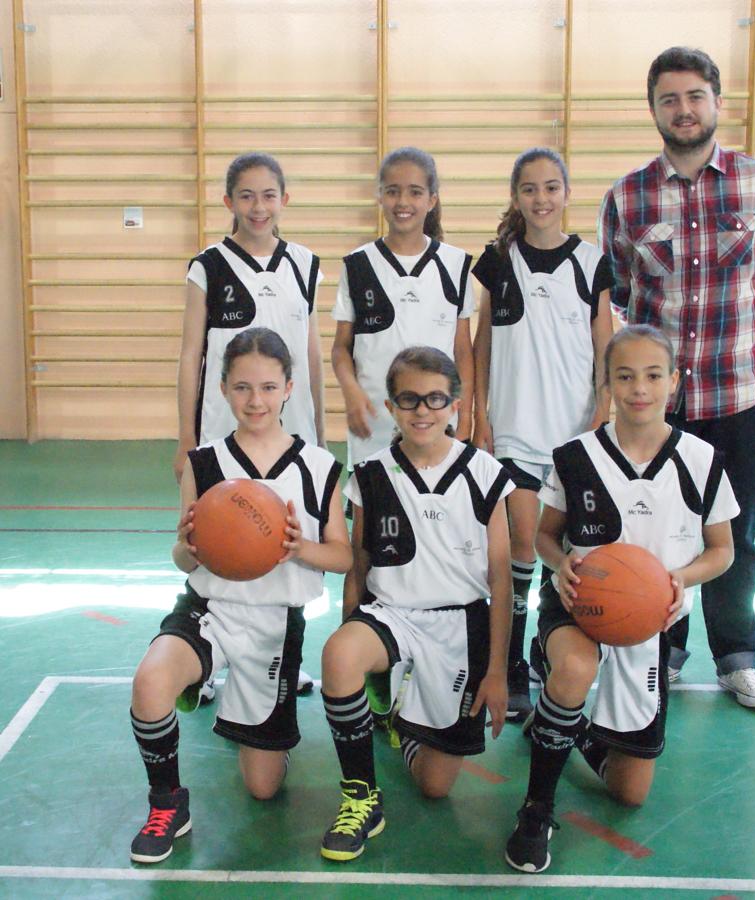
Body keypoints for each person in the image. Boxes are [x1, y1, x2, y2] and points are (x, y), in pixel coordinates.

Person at [599, 47, 755, 709]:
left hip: (740, 397)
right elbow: (623, 295)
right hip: (660, 411)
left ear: (716, 101)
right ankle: (667, 648)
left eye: (693, 96)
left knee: (734, 537)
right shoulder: (628, 196)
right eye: (668, 100)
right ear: (653, 109)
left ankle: (735, 655)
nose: (682, 110)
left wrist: (741, 341)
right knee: (661, 532)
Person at [504, 325, 738, 873]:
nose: (639, 388)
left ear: (674, 382)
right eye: (625, 376)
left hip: (652, 618)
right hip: (581, 603)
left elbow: (722, 550)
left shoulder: (702, 461)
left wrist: (682, 577)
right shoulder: (574, 457)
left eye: (653, 376)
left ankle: (567, 726)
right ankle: (536, 808)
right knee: (575, 670)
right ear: (606, 383)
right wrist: (561, 566)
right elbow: (544, 535)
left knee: (631, 793)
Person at [129, 328, 351, 865]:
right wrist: (189, 547)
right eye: (244, 387)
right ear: (224, 389)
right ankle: (168, 802)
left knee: (262, 788)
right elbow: (181, 560)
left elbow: (344, 558)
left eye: (269, 387)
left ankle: (251, 724)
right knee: (150, 680)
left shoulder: (319, 467)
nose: (257, 400)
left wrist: (301, 549)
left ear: (289, 389)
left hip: (276, 624)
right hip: (209, 609)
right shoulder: (204, 464)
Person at [319, 347, 513, 862]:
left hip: (459, 627)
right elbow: (359, 566)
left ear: (455, 404)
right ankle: (361, 797)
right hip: (392, 616)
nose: (422, 410)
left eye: (434, 399)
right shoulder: (371, 473)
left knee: (435, 785)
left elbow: (501, 581)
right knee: (340, 656)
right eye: (409, 399)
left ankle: (398, 720)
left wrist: (498, 670)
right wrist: (349, 635)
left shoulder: (486, 474)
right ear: (391, 405)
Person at [174, 151, 326, 697]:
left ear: (285, 200)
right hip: (224, 432)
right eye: (246, 196)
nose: (258, 207)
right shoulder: (208, 265)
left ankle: (285, 659)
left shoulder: (305, 264)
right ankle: (206, 659)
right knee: (218, 541)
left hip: (289, 434)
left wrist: (321, 434)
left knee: (285, 547)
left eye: (268, 195)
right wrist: (186, 440)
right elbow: (191, 354)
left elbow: (310, 357)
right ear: (228, 202)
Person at [472, 147, 614, 722]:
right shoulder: (497, 260)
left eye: (551, 187)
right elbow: (481, 344)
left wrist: (602, 412)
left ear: (567, 193)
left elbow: (606, 343)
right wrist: (479, 414)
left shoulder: (591, 261)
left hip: (573, 431)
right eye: (529, 188)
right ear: (515, 196)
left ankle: (539, 646)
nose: (541, 198)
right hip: (513, 429)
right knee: (524, 543)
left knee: (568, 550)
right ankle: (511, 661)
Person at [331, 146, 475, 471]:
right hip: (375, 424)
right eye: (392, 192)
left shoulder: (455, 265)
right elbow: (341, 348)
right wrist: (352, 392)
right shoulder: (358, 265)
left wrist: (465, 415)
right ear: (380, 196)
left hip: (437, 423)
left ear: (432, 199)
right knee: (371, 518)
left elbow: (463, 351)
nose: (403, 202)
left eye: (415, 192)